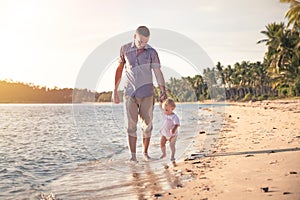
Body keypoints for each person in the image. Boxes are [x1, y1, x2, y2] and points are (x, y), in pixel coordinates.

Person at [113, 26, 167, 162]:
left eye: (145, 42)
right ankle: (133, 157)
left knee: (147, 125)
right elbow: (119, 70)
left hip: (147, 94)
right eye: (140, 41)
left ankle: (145, 153)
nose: (143, 45)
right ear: (134, 37)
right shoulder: (124, 49)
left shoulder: (151, 52)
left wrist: (163, 90)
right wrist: (115, 90)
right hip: (130, 93)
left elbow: (158, 72)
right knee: (131, 126)